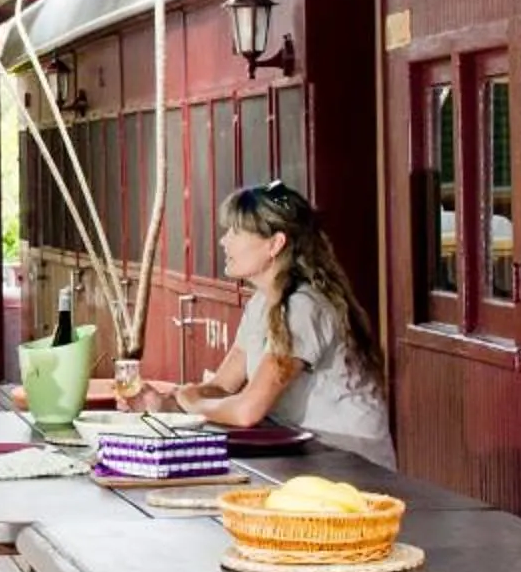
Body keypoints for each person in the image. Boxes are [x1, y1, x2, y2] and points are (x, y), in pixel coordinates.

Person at [151, 181, 392, 463]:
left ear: (275, 244)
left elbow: (248, 410)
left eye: (236, 231)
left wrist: (192, 403)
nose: (223, 240)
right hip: (306, 457)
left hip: (350, 465)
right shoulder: (261, 303)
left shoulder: (303, 307)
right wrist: (167, 402)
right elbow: (223, 387)